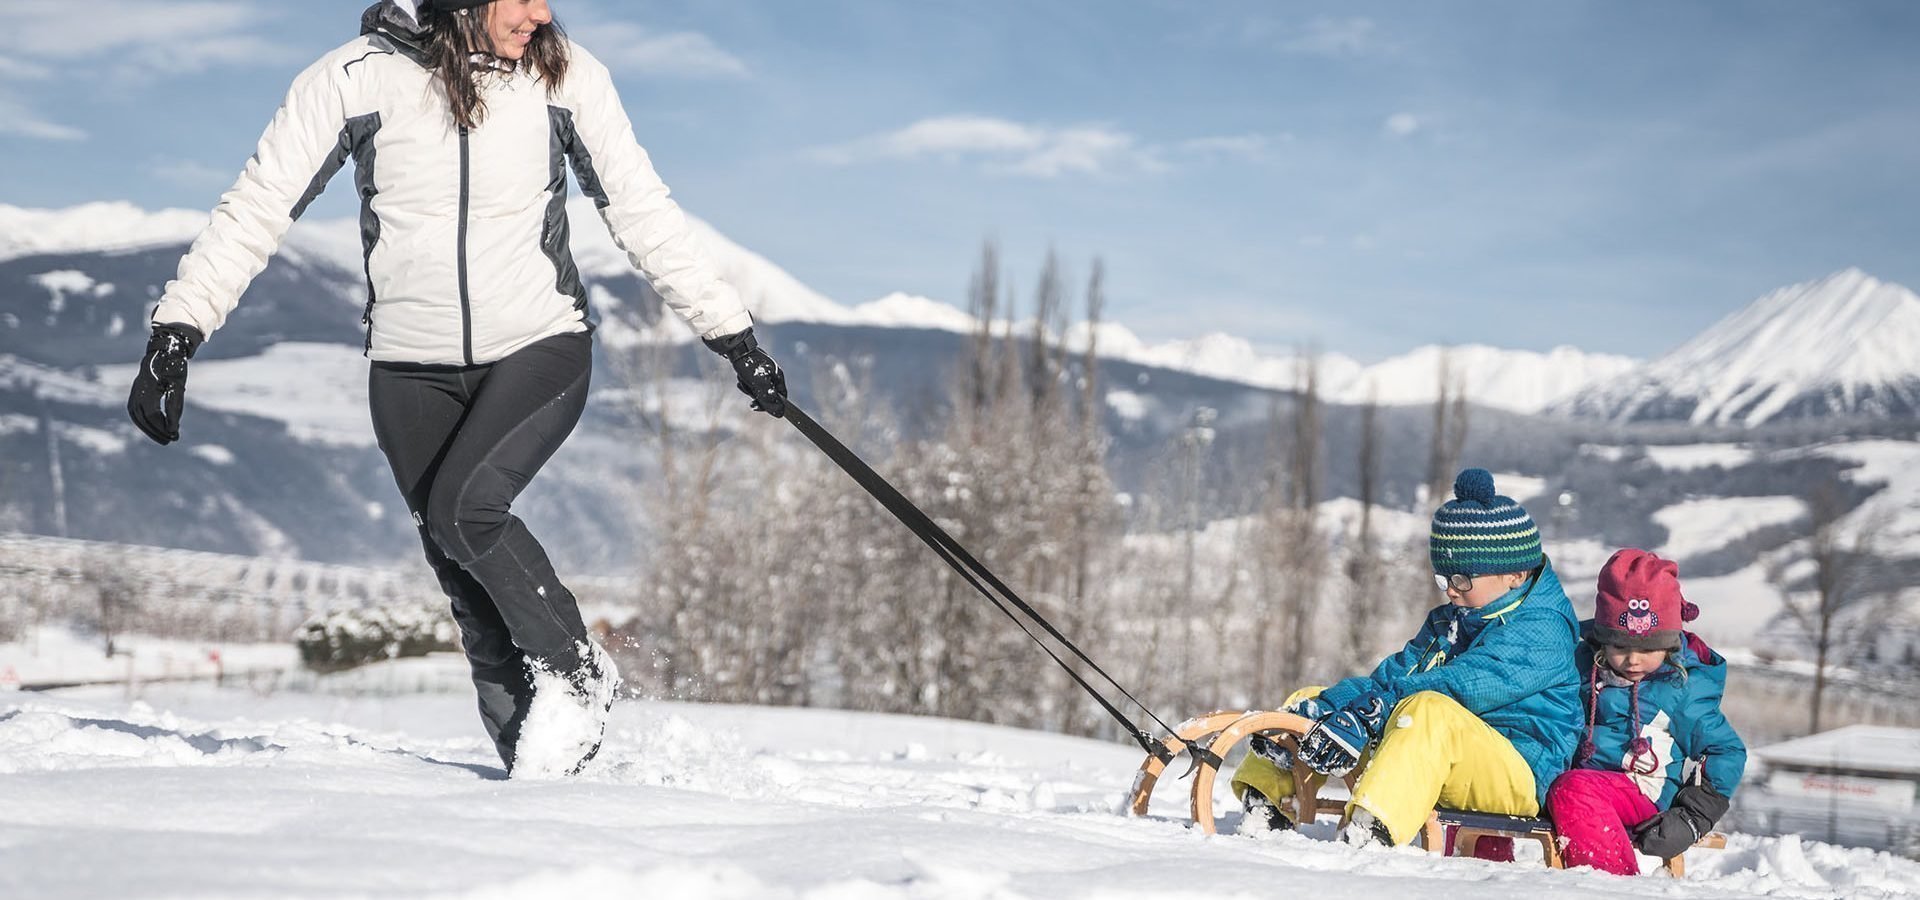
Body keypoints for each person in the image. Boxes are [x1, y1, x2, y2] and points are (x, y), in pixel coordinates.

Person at [123, 0, 788, 777]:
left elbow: (641, 210)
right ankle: (536, 777)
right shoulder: (351, 80)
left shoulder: (566, 77)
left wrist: (730, 333)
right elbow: (258, 207)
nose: (541, 13)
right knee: (464, 582)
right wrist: (178, 330)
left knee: (467, 511)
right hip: (407, 369)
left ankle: (578, 675)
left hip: (540, 345)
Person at [1232, 468, 1584, 847]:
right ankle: (1263, 802)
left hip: (1520, 768)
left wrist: (1374, 710)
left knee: (1428, 710)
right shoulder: (1451, 621)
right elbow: (1392, 679)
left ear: (1515, 573)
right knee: (1315, 694)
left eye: (1462, 580)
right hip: (1442, 747)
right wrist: (1334, 704)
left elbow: (1464, 685)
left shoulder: (1543, 630)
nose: (1450, 591)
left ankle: (1372, 830)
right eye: (1443, 579)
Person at [1545, 549, 1746, 875]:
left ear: (1668, 645)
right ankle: (1492, 876)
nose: (1634, 660)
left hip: (1642, 792)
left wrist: (1692, 817)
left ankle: (1612, 886)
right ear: (1602, 640)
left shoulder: (1679, 688)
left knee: (1574, 789)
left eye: (1649, 649)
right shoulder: (1579, 669)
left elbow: (1727, 751)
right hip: (1579, 784)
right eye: (1620, 647)